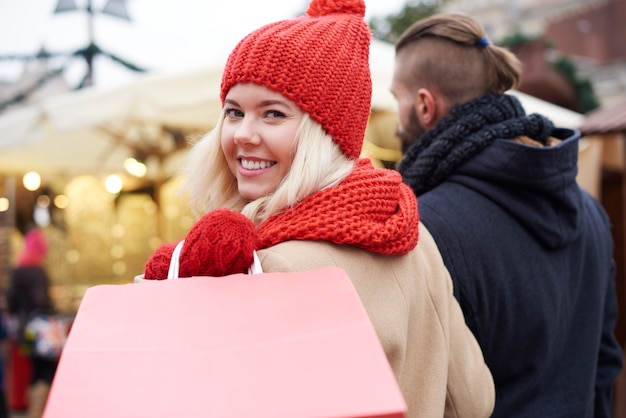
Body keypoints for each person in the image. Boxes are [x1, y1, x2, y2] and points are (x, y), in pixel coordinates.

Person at [141, 0, 496, 416]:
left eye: (273, 114)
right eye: (233, 112)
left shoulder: (268, 267)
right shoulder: (414, 237)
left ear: (326, 133)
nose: (243, 134)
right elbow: (475, 400)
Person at [391, 13, 623, 417]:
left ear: (425, 105)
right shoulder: (591, 211)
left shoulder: (426, 228)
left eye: (398, 99)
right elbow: (605, 363)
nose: (397, 119)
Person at [7, 227, 58, 418]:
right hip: (41, 330)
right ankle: (38, 413)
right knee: (46, 370)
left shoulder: (17, 270)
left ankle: (32, 412)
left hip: (24, 331)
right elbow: (41, 301)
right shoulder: (38, 271)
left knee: (35, 370)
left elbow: (11, 302)